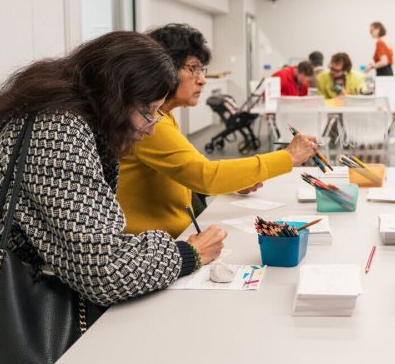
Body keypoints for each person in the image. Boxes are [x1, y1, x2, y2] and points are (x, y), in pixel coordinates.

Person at [0, 31, 228, 311]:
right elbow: (103, 270)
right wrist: (188, 254)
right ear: (113, 97)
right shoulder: (57, 132)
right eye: (146, 111)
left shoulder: (60, 119)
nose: (151, 127)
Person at [116, 24, 319, 238]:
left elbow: (189, 172)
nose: (202, 79)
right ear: (163, 69)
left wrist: (235, 181)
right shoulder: (149, 124)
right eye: (192, 68)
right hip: (160, 246)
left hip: (173, 235)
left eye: (201, 69)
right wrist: (288, 156)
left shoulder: (163, 116)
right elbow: (206, 175)